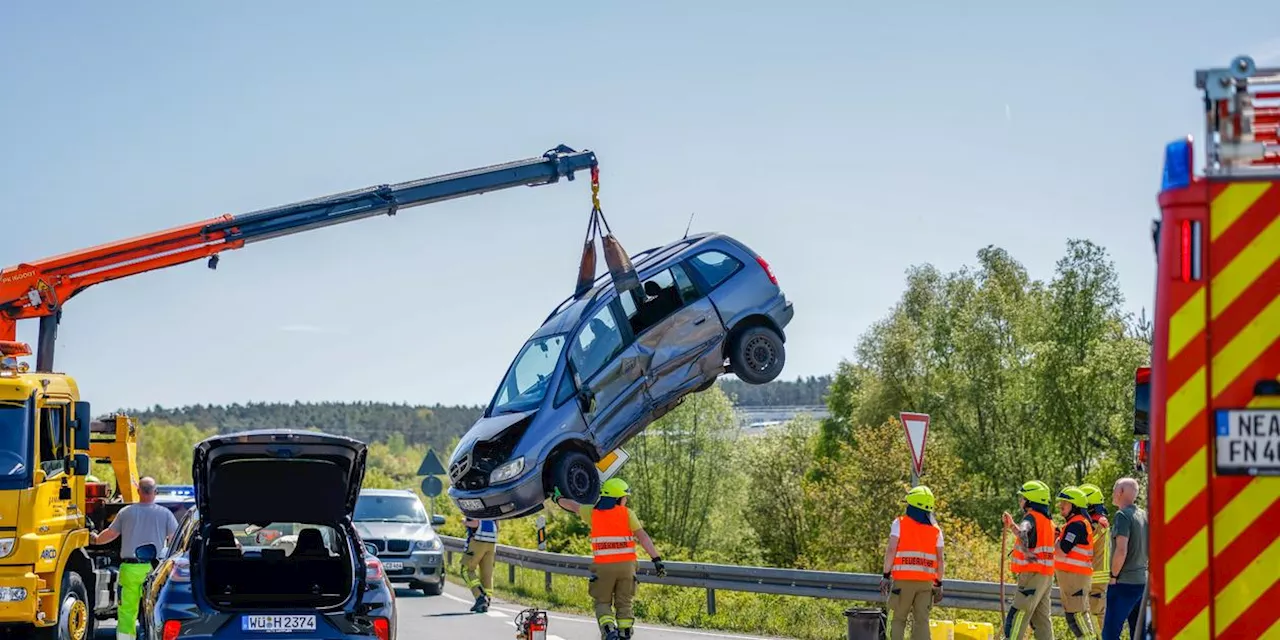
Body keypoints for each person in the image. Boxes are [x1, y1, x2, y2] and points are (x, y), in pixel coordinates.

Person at [554, 478, 666, 640]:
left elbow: (572, 505)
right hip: (627, 568)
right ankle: (625, 633)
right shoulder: (627, 513)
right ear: (618, 498)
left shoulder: (593, 513)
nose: (626, 500)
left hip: (604, 568)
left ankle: (608, 631)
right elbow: (643, 537)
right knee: (624, 603)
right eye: (625, 497)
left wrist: (557, 498)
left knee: (602, 602)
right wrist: (656, 559)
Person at [92, 476, 178, 640]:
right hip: (155, 569)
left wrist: (95, 539)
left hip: (130, 569)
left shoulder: (126, 513)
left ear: (138, 491)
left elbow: (110, 534)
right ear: (155, 492)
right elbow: (175, 540)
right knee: (154, 609)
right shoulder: (165, 514)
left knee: (127, 611)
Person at [879, 485, 944, 640]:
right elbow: (940, 561)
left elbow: (891, 551)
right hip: (926, 585)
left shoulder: (899, 523)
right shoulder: (936, 531)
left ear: (912, 505)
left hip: (902, 583)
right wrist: (939, 584)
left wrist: (886, 575)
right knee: (921, 622)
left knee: (897, 619)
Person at [1002, 480, 1055, 640]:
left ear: (1031, 500)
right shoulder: (1048, 522)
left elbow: (1024, 532)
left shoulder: (1030, 518)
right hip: (1045, 576)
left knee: (1018, 613)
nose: (1021, 501)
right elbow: (1027, 534)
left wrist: (1026, 552)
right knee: (1041, 619)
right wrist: (1011, 526)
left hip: (1031, 574)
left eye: (1023, 498)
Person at [1102, 478, 1147, 640]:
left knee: (1110, 633)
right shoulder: (1143, 516)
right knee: (1138, 632)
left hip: (1123, 582)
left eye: (1115, 489)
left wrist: (1113, 576)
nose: (1113, 493)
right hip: (1141, 582)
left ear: (1120, 492)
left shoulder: (1122, 516)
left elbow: (1121, 550)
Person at [1053, 487, 1097, 639]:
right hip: (1072, 579)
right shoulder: (1073, 524)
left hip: (1076, 579)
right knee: (1074, 617)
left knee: (1078, 616)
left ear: (1075, 505)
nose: (1061, 505)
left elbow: (1061, 551)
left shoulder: (1077, 525)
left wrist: (1055, 539)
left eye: (1065, 502)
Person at [1078, 483, 1111, 633]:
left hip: (1097, 575)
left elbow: (1087, 541)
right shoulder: (1099, 521)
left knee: (1096, 614)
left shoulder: (1098, 523)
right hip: (1096, 574)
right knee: (1094, 614)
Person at [461, 517, 499, 613]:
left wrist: (465, 522)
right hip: (492, 541)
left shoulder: (474, 502)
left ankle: (480, 597)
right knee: (487, 574)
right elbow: (498, 525)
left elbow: (476, 522)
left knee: (466, 570)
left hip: (478, 540)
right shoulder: (494, 504)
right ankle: (487, 600)